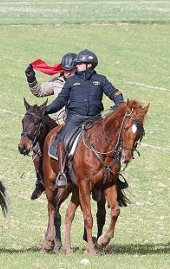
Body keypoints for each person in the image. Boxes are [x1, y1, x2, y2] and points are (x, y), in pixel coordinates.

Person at [43, 49, 124, 188]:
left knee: (113, 141)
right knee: (61, 141)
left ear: (89, 65)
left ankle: (114, 174)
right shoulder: (72, 81)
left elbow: (114, 93)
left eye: (79, 63)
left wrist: (120, 104)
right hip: (75, 119)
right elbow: (61, 100)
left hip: (96, 120)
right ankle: (62, 173)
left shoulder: (100, 80)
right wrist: (47, 109)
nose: (77, 65)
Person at [25, 52, 77, 200]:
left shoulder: (81, 83)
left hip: (76, 122)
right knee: (37, 145)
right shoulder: (57, 82)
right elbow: (39, 91)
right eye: (65, 70)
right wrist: (31, 78)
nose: (67, 73)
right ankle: (40, 180)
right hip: (57, 122)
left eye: (71, 70)